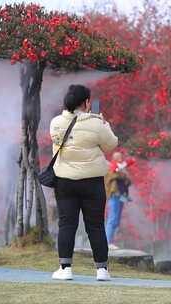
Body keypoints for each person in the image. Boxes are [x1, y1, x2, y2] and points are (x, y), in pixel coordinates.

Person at [49, 84, 118, 281]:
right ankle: (102, 270)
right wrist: (105, 124)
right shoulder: (97, 124)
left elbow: (56, 140)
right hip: (92, 182)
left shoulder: (56, 123)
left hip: (64, 181)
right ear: (87, 102)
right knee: (95, 225)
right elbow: (111, 144)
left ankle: (65, 268)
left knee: (67, 224)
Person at [104, 152, 135, 250]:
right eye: (119, 158)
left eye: (122, 157)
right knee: (112, 218)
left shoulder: (121, 169)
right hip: (114, 195)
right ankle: (107, 242)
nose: (121, 159)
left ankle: (111, 241)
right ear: (115, 158)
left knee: (116, 219)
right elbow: (113, 177)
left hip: (122, 195)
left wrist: (124, 173)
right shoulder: (111, 167)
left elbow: (128, 181)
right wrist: (121, 171)